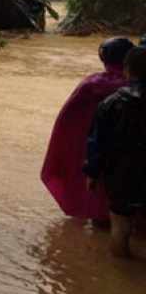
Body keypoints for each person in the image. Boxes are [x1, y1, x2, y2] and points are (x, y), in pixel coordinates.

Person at [42, 37, 135, 224]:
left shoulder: (92, 85)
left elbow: (66, 120)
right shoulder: (135, 86)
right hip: (131, 156)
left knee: (102, 207)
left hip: (97, 153)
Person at [83, 46, 146, 258]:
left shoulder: (110, 104)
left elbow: (97, 144)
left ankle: (119, 276)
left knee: (120, 229)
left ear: (127, 71)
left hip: (122, 175)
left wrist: (92, 174)